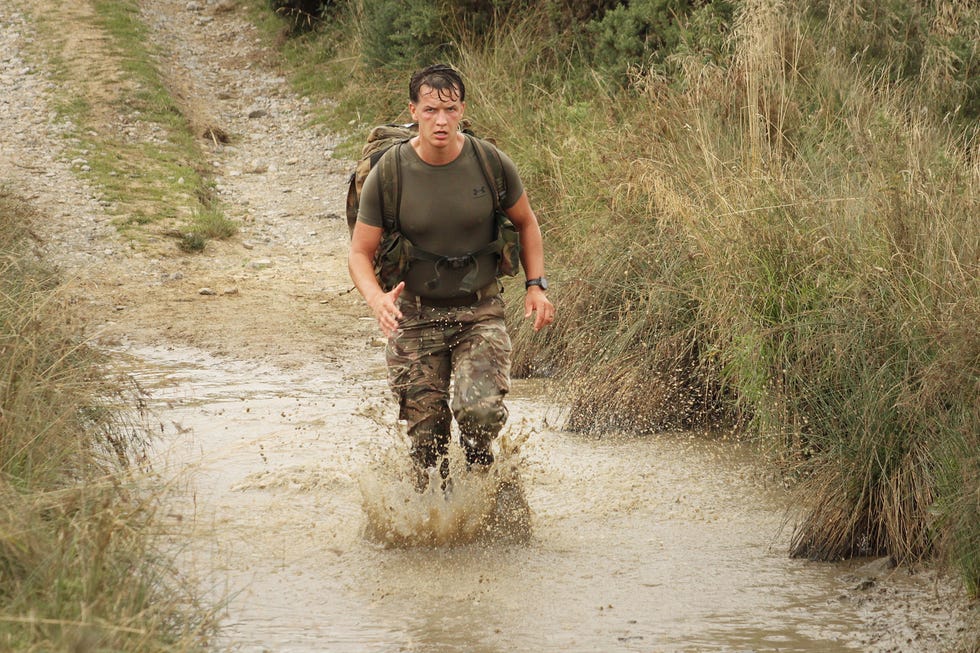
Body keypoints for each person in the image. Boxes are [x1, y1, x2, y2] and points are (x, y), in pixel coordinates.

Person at [348, 63, 554, 485]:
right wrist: (377, 299)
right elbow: (359, 252)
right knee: (427, 443)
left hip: (479, 312)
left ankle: (486, 482)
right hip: (415, 317)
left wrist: (536, 286)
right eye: (429, 110)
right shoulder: (388, 174)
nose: (440, 121)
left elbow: (528, 223)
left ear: (462, 110)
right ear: (413, 110)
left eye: (450, 109)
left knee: (478, 415)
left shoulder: (490, 163)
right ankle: (435, 517)